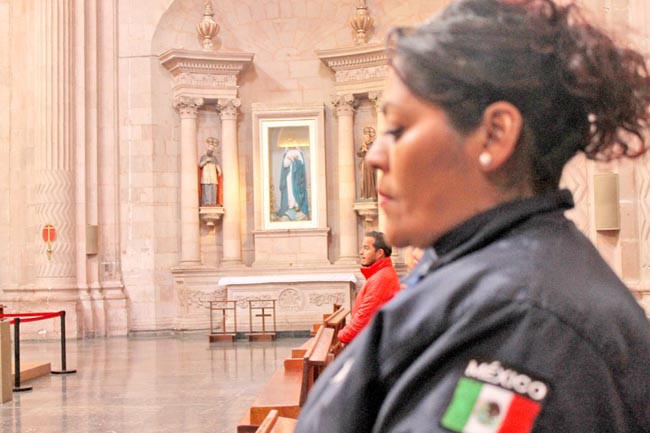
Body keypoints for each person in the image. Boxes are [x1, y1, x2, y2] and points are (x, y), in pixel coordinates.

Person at [295, 1, 650, 432]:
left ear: (494, 135)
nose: (373, 157)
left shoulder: (523, 329)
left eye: (398, 129)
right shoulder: (483, 272)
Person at [337, 231, 400, 345]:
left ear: (379, 253)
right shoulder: (380, 275)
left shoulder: (381, 278)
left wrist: (341, 336)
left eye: (366, 248)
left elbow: (364, 318)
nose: (361, 253)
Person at [277, 146, 310, 220]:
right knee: (290, 191)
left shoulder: (299, 153)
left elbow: (301, 164)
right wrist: (292, 158)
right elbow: (285, 164)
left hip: (297, 179)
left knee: (297, 192)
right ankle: (290, 206)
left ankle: (297, 206)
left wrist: (293, 159)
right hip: (289, 177)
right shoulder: (288, 153)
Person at [198, 137, 222, 206]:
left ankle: (213, 202)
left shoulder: (214, 158)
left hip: (213, 176)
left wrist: (219, 171)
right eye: (209, 150)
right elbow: (200, 165)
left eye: (211, 150)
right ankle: (207, 202)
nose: (210, 151)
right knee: (206, 189)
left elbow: (217, 166)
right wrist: (206, 161)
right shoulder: (203, 157)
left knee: (213, 189)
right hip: (206, 176)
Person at [357, 126, 377, 200]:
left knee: (370, 179)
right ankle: (364, 195)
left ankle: (371, 194)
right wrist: (363, 150)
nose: (365, 138)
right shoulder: (363, 145)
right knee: (364, 180)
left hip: (370, 164)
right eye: (364, 137)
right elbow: (358, 154)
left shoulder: (372, 145)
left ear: (370, 137)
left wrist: (366, 150)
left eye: (367, 137)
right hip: (364, 164)